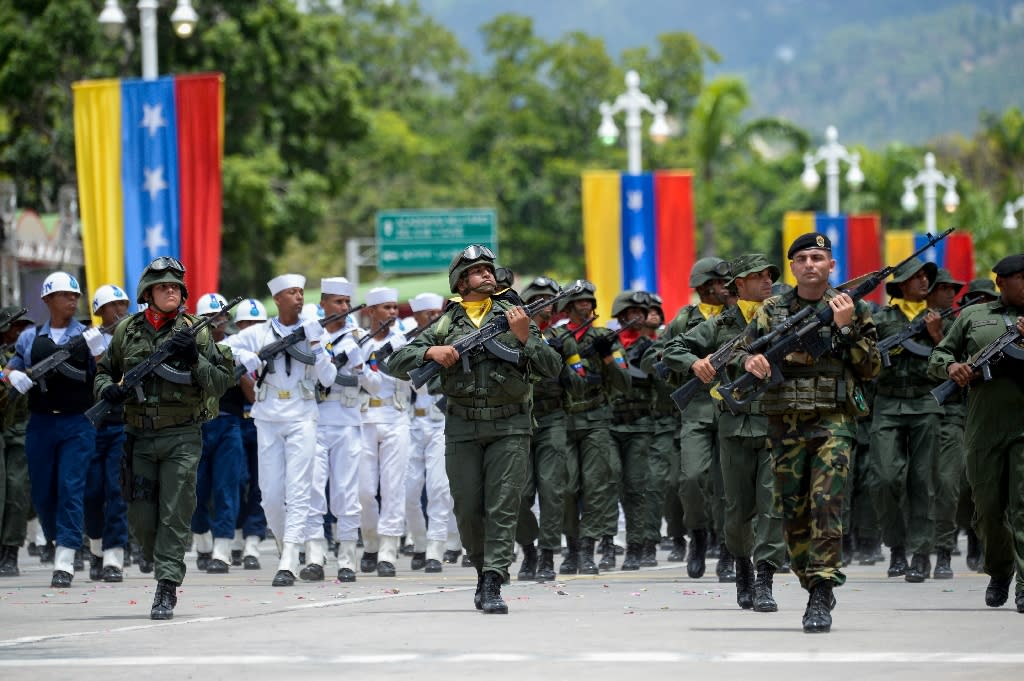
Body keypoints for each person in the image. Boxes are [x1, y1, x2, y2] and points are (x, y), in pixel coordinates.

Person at [387, 245, 562, 613]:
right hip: (462, 426)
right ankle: (483, 570)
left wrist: (525, 335)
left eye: (489, 268)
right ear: (461, 281)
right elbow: (395, 360)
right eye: (477, 270)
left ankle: (494, 580)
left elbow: (553, 367)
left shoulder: (513, 314)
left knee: (502, 506)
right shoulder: (446, 323)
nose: (486, 274)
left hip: (510, 425)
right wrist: (430, 353)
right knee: (467, 508)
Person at [731, 233, 880, 633]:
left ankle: (820, 591)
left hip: (834, 422)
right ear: (793, 266)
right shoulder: (771, 310)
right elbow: (742, 351)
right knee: (794, 512)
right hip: (785, 423)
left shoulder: (853, 307)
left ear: (832, 265)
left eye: (819, 257)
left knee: (826, 504)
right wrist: (751, 363)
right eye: (802, 258)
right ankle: (810, 577)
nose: (810, 264)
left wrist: (846, 329)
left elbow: (872, 368)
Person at [94, 258, 234, 619]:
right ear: (148, 294)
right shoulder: (127, 330)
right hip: (138, 435)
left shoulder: (196, 331)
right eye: (163, 287)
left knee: (174, 513)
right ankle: (156, 556)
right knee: (141, 518)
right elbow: (104, 371)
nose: (171, 291)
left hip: (183, 436)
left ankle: (166, 586)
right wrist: (107, 388)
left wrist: (194, 359)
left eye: (176, 286)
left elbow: (220, 382)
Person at [664, 254, 786, 611]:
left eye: (769, 275)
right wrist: (696, 363)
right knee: (736, 511)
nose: (766, 281)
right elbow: (674, 348)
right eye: (757, 276)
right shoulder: (722, 324)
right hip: (733, 426)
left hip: (775, 423)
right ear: (739, 285)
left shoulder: (784, 317)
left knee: (772, 504)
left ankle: (765, 579)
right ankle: (743, 567)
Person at [225, 274, 336, 587]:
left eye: (301, 291)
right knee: (271, 496)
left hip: (302, 415)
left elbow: (327, 378)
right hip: (268, 417)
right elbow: (219, 348)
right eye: (292, 292)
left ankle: (289, 557)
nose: (299, 296)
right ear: (277, 299)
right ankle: (286, 542)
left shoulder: (315, 329)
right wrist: (244, 357)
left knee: (299, 489)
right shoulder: (259, 332)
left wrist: (317, 344)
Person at [929, 254, 1024, 613]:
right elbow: (939, 355)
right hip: (983, 425)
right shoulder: (972, 316)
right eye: (1020, 277)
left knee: (1022, 507)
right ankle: (1000, 571)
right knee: (986, 510)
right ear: (1001, 282)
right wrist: (952, 367)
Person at [641, 257, 732, 580]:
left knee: (728, 485)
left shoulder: (739, 317)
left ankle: (728, 548)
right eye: (722, 283)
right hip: (695, 408)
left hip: (734, 408)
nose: (728, 288)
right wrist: (685, 365)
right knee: (690, 479)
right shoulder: (684, 319)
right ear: (707, 286)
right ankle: (698, 535)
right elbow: (655, 357)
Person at [4, 272, 96, 587]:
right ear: (47, 300)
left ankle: (65, 559)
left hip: (77, 423)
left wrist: (99, 353)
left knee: (70, 486)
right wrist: (12, 377)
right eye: (65, 295)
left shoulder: (87, 335)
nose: (73, 300)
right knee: (43, 492)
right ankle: (59, 540)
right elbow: (11, 367)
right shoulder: (30, 337)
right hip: (41, 423)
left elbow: (104, 376)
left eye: (75, 295)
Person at [552, 280, 630, 576]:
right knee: (568, 485)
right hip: (565, 420)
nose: (585, 306)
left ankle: (588, 547)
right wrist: (555, 355)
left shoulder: (606, 336)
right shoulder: (556, 336)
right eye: (579, 302)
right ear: (568, 307)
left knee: (597, 485)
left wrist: (608, 354)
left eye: (588, 302)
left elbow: (624, 382)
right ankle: (571, 547)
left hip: (596, 418)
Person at [870, 258, 941, 583]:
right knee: (885, 478)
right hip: (887, 401)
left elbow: (954, 358)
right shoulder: (881, 318)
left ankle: (921, 553)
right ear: (901, 284)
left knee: (922, 480)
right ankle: (896, 546)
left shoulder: (937, 318)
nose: (924, 281)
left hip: (925, 401)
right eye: (917, 276)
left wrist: (936, 335)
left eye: (927, 276)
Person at [513, 277, 576, 581]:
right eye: (539, 300)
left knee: (552, 490)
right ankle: (528, 550)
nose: (546, 307)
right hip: (520, 419)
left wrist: (566, 361)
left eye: (550, 301)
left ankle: (548, 553)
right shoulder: (511, 334)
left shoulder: (565, 337)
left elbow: (579, 383)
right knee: (520, 494)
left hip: (552, 419)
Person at [313, 277, 365, 582]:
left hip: (345, 418)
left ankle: (347, 556)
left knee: (346, 491)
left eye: (347, 303)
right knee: (313, 489)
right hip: (315, 419)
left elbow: (364, 380)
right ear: (323, 304)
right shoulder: (310, 334)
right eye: (338, 302)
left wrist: (357, 367)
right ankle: (315, 555)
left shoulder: (357, 336)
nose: (344, 308)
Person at [188, 293, 244, 574]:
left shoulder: (236, 347)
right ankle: (201, 540)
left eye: (221, 318)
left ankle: (222, 548)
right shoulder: (188, 349)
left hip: (228, 425)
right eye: (211, 319)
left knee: (226, 488)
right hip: (197, 425)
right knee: (195, 489)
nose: (217, 324)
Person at [356, 287, 409, 578]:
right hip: (363, 417)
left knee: (393, 487)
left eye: (394, 307)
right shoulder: (358, 342)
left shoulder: (403, 342)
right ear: (371, 311)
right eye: (386, 307)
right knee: (364, 490)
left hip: (396, 416)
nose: (392, 312)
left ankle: (388, 549)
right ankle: (371, 540)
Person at [81, 284, 131, 582]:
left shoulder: (134, 340)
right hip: (89, 427)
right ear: (100, 312)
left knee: (116, 490)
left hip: (121, 425)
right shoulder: (85, 340)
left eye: (123, 304)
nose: (121, 310)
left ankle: (114, 556)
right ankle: (97, 550)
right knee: (91, 492)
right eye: (114, 306)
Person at [401, 292, 451, 574]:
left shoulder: (453, 340)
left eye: (436, 312)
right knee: (408, 491)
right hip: (412, 422)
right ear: (417, 317)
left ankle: (435, 547)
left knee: (438, 488)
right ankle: (419, 543)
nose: (433, 318)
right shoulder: (409, 344)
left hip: (441, 421)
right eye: (427, 314)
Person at [606, 290, 655, 570]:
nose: (640, 317)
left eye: (642, 312)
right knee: (607, 485)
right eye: (633, 312)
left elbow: (647, 375)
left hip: (639, 425)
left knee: (636, 487)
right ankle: (609, 544)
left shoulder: (650, 346)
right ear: (622, 316)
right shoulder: (607, 344)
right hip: (609, 424)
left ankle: (636, 546)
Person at [925, 268, 966, 579]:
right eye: (944, 287)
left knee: (957, 486)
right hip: (929, 414)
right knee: (936, 485)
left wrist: (938, 334)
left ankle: (954, 547)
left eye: (954, 287)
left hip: (962, 414)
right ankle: (931, 549)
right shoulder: (905, 318)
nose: (950, 293)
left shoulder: (959, 323)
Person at [230, 299, 268, 570]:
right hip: (235, 423)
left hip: (263, 423)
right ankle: (236, 532)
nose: (252, 329)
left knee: (260, 484)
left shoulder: (272, 349)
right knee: (235, 480)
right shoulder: (230, 348)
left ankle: (253, 540)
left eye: (257, 324)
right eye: (247, 324)